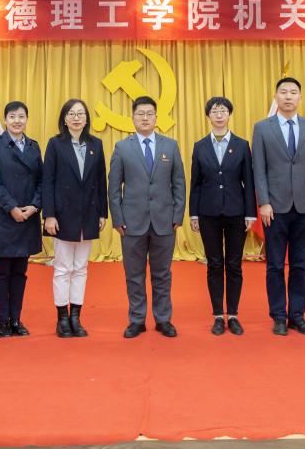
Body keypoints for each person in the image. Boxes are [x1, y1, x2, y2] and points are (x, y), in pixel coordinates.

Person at [251, 77, 305, 336]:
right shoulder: (262, 128)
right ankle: (279, 317)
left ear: (300, 98)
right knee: (274, 265)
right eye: (283, 92)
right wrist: (264, 202)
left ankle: (297, 315)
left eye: (293, 92)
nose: (288, 97)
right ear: (275, 97)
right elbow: (259, 169)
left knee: (300, 265)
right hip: (274, 208)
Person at [108, 95, 186, 339]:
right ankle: (137, 319)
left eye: (149, 113)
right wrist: (118, 218)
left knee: (162, 274)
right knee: (134, 275)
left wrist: (177, 215)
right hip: (131, 223)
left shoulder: (170, 146)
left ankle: (163, 319)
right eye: (140, 113)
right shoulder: (122, 148)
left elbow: (179, 183)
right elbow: (113, 188)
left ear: (156, 117)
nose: (145, 118)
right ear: (132, 118)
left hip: (165, 221)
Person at [189, 96, 256, 336]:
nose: (219, 115)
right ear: (208, 116)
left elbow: (248, 181)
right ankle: (218, 315)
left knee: (234, 264)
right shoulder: (200, 146)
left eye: (223, 111)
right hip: (208, 213)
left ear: (229, 115)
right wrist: (193, 213)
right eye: (214, 111)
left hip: (236, 213)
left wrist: (251, 213)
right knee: (215, 264)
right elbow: (195, 183)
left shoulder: (242, 145)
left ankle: (234, 315)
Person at [42, 98, 108, 338]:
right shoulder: (55, 144)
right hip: (62, 215)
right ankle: (62, 319)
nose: (77, 118)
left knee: (81, 268)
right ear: (64, 118)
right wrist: (49, 215)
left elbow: (101, 179)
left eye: (81, 113)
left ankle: (76, 317)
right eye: (72, 114)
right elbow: (47, 181)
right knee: (62, 268)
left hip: (88, 214)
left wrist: (103, 212)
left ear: (87, 118)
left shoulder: (96, 144)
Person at [0, 101, 43, 338]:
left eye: (21, 117)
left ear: (27, 119)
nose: (17, 121)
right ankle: (3, 321)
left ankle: (16, 319)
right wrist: (12, 207)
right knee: (1, 272)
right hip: (3, 217)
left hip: (27, 217)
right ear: (5, 119)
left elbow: (42, 181)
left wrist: (34, 206)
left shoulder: (34, 146)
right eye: (12, 117)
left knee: (20, 272)